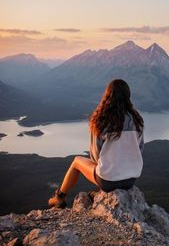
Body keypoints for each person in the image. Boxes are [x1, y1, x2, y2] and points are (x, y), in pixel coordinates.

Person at [48, 78, 144, 208]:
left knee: (77, 161)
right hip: (131, 180)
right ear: (128, 96)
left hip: (107, 182)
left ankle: (59, 197)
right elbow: (139, 149)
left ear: (107, 95)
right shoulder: (137, 120)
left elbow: (95, 155)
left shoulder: (102, 119)